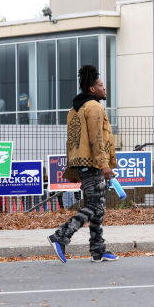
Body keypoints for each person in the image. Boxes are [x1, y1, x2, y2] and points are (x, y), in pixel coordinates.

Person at [47, 65, 119, 263]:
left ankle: (98, 249)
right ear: (92, 88)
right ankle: (61, 236)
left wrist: (74, 164)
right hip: (93, 163)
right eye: (101, 85)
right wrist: (104, 165)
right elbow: (97, 139)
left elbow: (71, 140)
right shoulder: (94, 107)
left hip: (81, 162)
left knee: (97, 206)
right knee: (96, 205)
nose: (105, 89)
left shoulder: (74, 109)